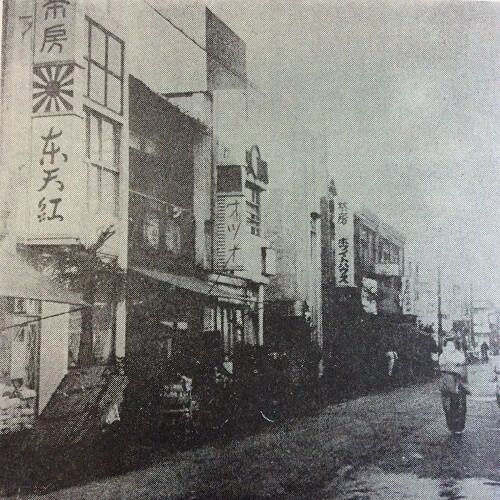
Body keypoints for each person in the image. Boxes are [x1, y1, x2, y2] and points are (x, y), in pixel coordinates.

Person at [439, 334, 469, 434]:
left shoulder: (460, 355)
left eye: (452, 345)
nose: (450, 347)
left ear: (455, 346)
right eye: (448, 345)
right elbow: (441, 366)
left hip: (457, 384)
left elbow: (461, 370)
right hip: (446, 385)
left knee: (459, 407)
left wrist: (450, 366)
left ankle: (459, 427)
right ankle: (451, 426)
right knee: (447, 407)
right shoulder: (442, 355)